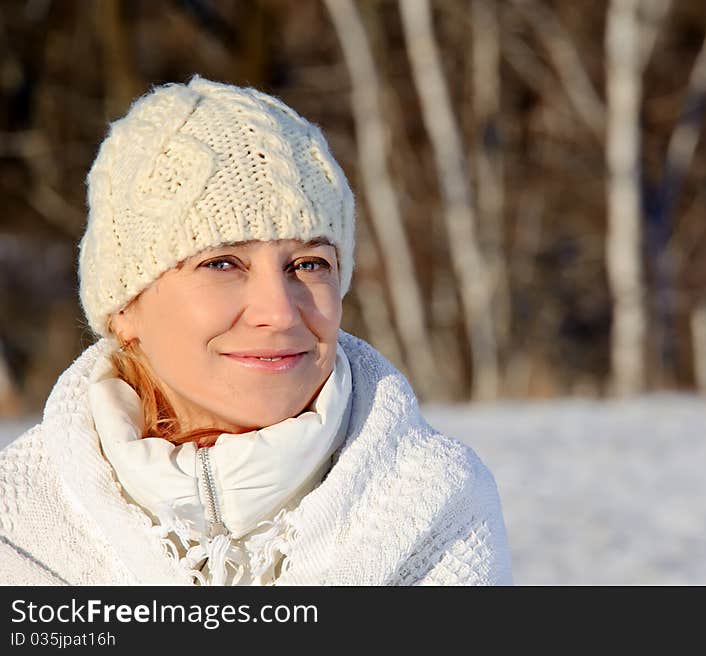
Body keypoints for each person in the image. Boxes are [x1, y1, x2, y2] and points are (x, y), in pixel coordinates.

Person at [0, 75, 512, 586]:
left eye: (309, 264)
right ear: (125, 308)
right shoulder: (21, 527)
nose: (281, 312)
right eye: (223, 264)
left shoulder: (434, 502)